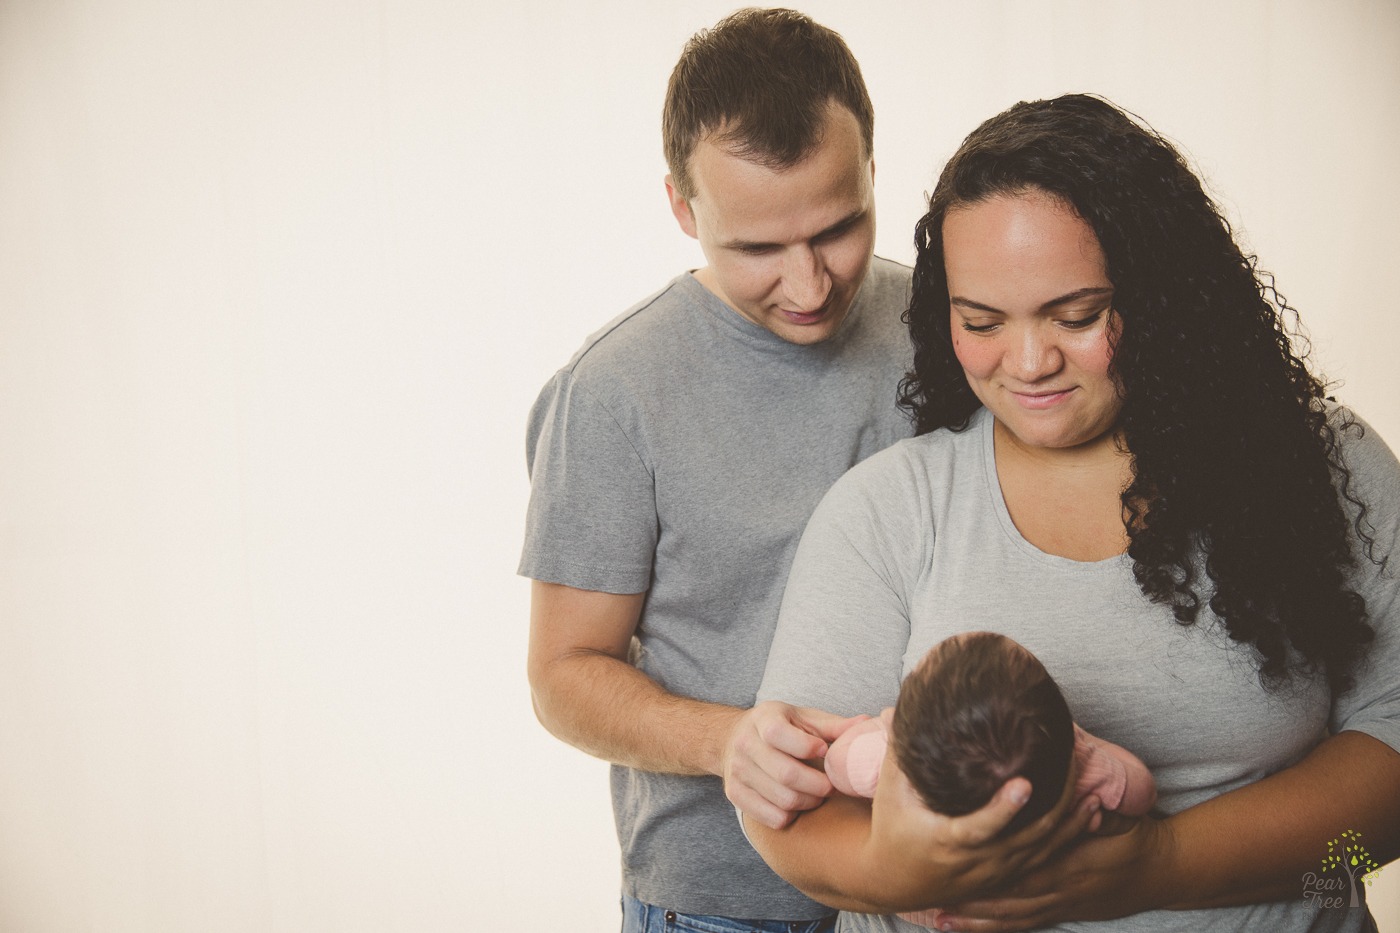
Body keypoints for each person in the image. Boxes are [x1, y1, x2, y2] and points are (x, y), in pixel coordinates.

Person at [738, 94, 1400, 931]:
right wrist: (895, 871)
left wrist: (1158, 867)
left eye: (1078, 315)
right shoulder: (890, 508)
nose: (1029, 361)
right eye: (981, 321)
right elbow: (785, 814)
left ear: (1162, 297)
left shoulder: (1320, 467)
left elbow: (1383, 812)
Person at [520, 9, 916, 929]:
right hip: (723, 904)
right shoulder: (614, 391)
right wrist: (727, 740)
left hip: (932, 889)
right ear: (681, 208)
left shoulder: (949, 325)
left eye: (839, 227)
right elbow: (562, 673)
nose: (811, 284)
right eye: (758, 250)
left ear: (870, 171)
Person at [825, 632, 1157, 932]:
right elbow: (1142, 790)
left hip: (925, 895)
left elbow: (836, 764)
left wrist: (880, 729)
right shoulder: (1087, 766)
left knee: (928, 906)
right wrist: (1083, 743)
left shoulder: (882, 758)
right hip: (1034, 895)